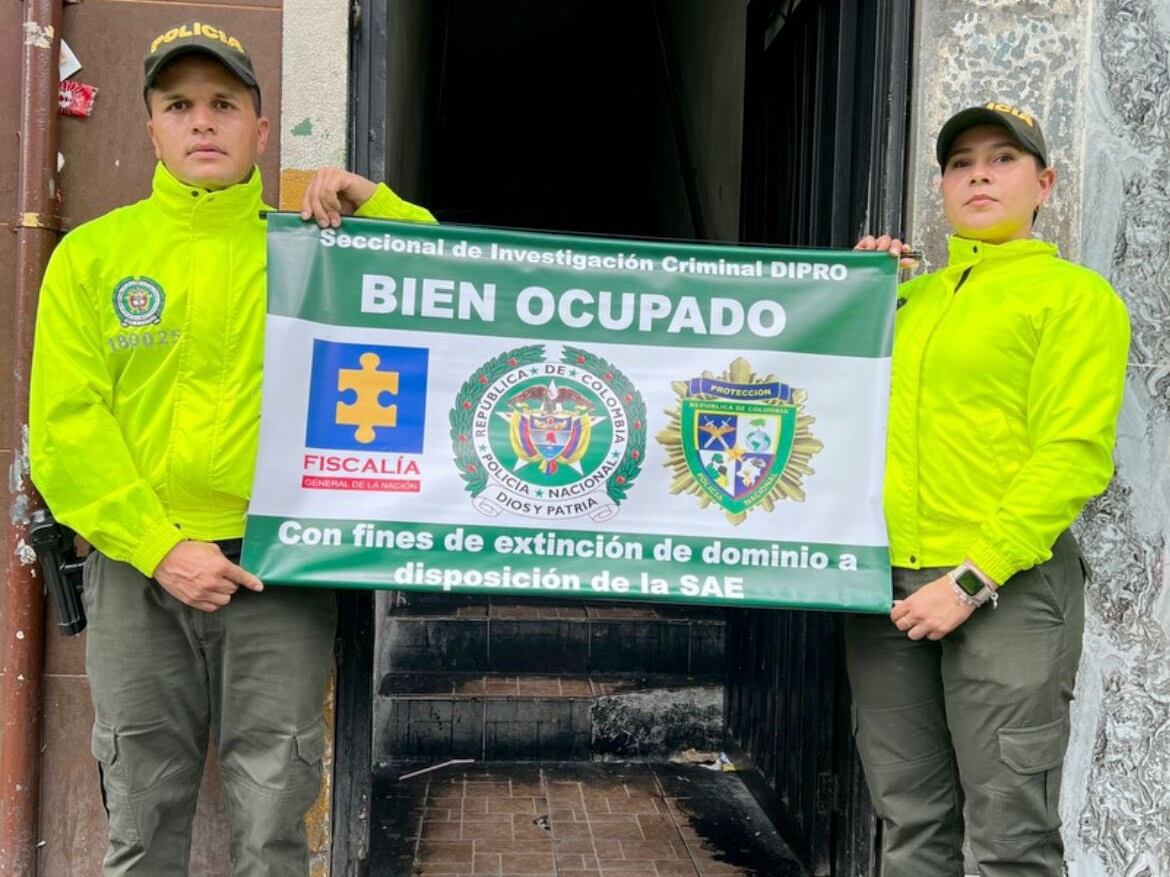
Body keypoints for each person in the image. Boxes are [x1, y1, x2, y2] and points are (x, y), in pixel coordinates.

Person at [28, 22, 435, 875]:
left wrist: (379, 208)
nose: (201, 122)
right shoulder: (92, 259)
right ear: (151, 128)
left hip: (275, 570)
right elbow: (68, 431)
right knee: (139, 818)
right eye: (179, 106)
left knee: (274, 818)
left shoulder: (312, 250)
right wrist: (159, 545)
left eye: (224, 104)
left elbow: (439, 294)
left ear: (259, 124)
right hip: (135, 571)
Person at [848, 102, 1130, 876]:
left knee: (1010, 841)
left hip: (1004, 589)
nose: (977, 172)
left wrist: (970, 579)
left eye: (1003, 159)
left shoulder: (1073, 298)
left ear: (1044, 183)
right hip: (888, 591)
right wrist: (852, 296)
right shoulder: (905, 300)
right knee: (909, 825)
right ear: (941, 186)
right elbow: (818, 409)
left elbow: (1071, 457)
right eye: (960, 161)